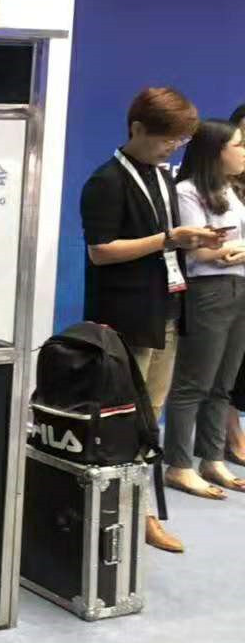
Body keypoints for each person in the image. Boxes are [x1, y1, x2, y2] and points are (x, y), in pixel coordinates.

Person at [81, 87, 226, 553]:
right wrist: (169, 239)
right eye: (167, 139)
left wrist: (194, 240)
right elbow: (101, 251)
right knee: (123, 418)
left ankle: (138, 507)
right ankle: (123, 511)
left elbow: (167, 240)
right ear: (138, 129)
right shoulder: (106, 181)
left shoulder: (163, 176)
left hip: (166, 309)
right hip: (125, 317)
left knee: (152, 416)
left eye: (180, 141)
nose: (173, 148)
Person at [159, 120, 245, 499]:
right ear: (216, 151)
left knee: (223, 384)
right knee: (193, 382)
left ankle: (212, 459)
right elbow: (196, 251)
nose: (244, 153)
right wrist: (227, 250)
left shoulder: (231, 190)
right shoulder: (188, 191)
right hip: (208, 291)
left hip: (240, 288)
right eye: (239, 145)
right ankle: (179, 465)